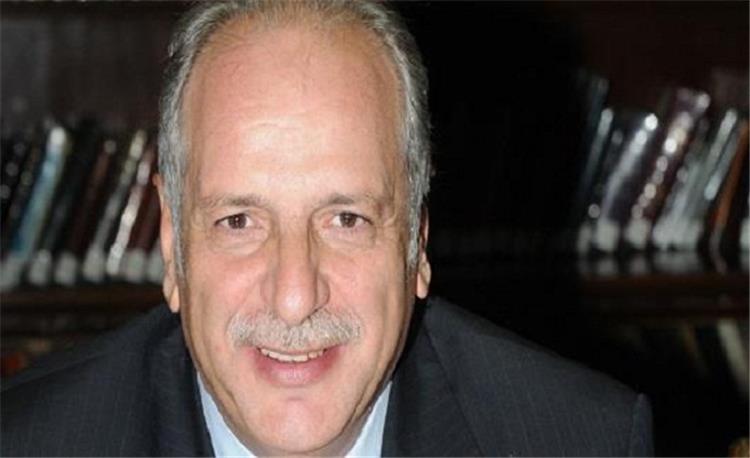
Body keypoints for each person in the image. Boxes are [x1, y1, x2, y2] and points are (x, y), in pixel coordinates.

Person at [2, 1, 653, 456]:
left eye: (346, 219)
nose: (294, 297)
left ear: (417, 241)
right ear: (173, 246)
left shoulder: (582, 441)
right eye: (239, 221)